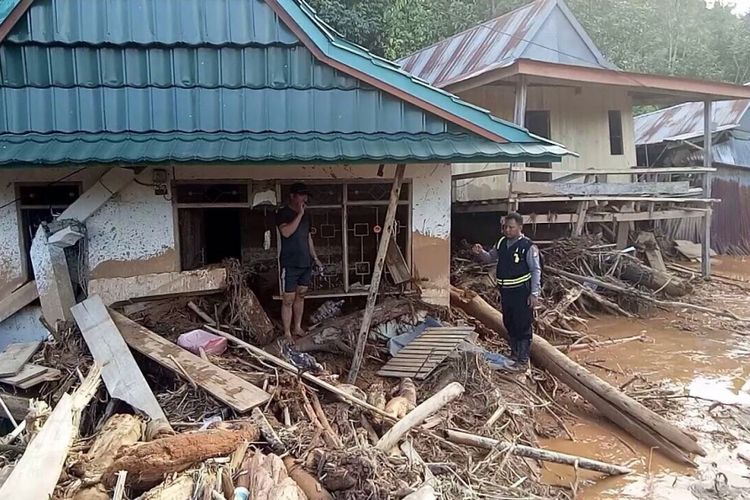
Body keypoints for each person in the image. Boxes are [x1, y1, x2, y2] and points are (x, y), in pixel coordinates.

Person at [472, 212, 542, 371]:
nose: (508, 230)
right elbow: (490, 258)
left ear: (520, 228)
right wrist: (481, 252)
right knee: (509, 322)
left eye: (511, 227)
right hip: (506, 291)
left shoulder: (528, 246)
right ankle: (514, 354)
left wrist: (534, 294)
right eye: (505, 227)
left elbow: (536, 270)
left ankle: (523, 360)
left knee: (522, 325)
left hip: (522, 292)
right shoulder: (502, 242)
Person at [276, 183, 323, 340]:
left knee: (301, 295)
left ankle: (297, 327)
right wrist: (300, 215)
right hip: (290, 263)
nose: (304, 198)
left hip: (305, 262)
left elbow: (308, 237)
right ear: (292, 196)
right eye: (301, 195)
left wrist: (315, 258)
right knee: (288, 299)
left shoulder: (307, 216)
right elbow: (286, 232)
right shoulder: (283, 213)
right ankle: (287, 332)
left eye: (306, 195)